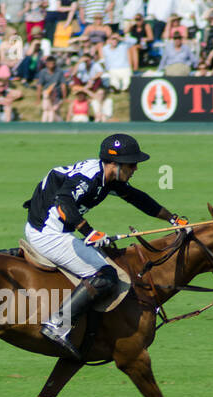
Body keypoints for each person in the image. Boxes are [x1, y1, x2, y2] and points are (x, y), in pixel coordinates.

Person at [22, 134, 187, 357]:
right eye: (132, 163)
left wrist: (172, 219)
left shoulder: (109, 179)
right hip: (47, 233)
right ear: (114, 163)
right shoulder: (90, 178)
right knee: (105, 274)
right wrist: (89, 232)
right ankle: (57, 325)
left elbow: (138, 198)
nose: (136, 168)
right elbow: (64, 202)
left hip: (53, 227)